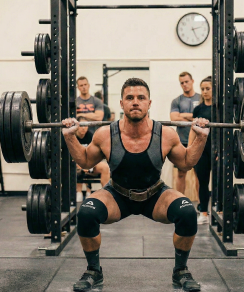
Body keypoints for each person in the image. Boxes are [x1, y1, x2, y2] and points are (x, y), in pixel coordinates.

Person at [62, 78, 209, 292]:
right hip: (117, 195)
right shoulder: (106, 134)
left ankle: (181, 271)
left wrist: (201, 138)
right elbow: (85, 161)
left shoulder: (166, 134)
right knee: (86, 212)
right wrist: (69, 137)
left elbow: (187, 162)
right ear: (121, 104)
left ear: (149, 103)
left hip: (155, 195)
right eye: (129, 98)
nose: (135, 102)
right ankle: (93, 270)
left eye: (141, 98)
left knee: (187, 212)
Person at [170, 72, 200, 195]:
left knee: (199, 174)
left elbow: (203, 117)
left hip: (198, 141)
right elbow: (173, 118)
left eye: (186, 82)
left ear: (192, 81)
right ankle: (180, 202)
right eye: (182, 83)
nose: (184, 85)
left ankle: (201, 206)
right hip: (181, 141)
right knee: (181, 173)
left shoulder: (201, 98)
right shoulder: (176, 101)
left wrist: (182, 115)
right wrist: (193, 117)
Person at [188, 76, 213, 225]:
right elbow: (194, 130)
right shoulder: (198, 109)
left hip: (217, 149)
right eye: (202, 89)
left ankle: (220, 210)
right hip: (201, 149)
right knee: (203, 182)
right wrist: (190, 149)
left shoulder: (220, 108)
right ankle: (203, 212)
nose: (204, 91)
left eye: (208, 88)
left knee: (220, 183)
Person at [75, 116, 110, 202]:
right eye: (81, 126)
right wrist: (80, 164)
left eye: (86, 126)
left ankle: (106, 195)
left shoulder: (91, 136)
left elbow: (95, 155)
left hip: (89, 163)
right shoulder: (73, 137)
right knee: (75, 167)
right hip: (74, 165)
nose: (84, 128)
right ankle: (78, 192)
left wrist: (89, 165)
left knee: (105, 167)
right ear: (76, 126)